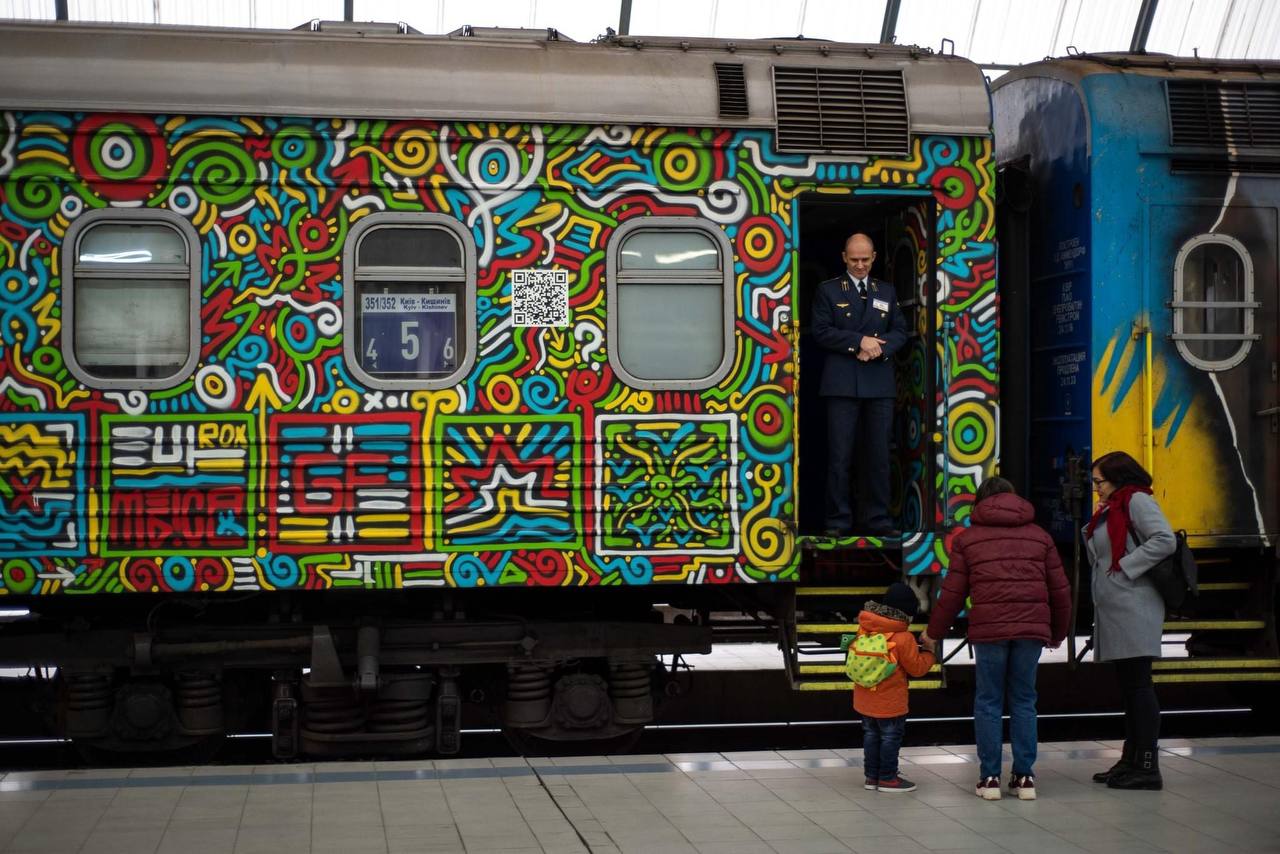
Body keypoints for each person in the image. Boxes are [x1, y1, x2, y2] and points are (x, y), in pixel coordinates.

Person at [921, 477, 1071, 801]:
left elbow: (952, 594)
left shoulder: (968, 539)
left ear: (980, 502)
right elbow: (1060, 591)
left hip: (990, 631)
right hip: (1031, 631)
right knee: (1024, 700)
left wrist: (933, 633)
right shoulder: (1040, 536)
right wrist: (1058, 632)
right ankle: (1025, 778)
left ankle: (989, 779)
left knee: (989, 701)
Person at [1083, 451, 1175, 791]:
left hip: (1136, 605)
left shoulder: (1137, 500)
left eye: (1099, 482)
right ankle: (1131, 759)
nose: (1096, 488)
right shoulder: (1115, 506)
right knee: (1129, 687)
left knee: (1138, 686)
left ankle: (1148, 766)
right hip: (1119, 606)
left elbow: (1164, 539)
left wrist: (1127, 566)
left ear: (1118, 479)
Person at [812, 232, 907, 537]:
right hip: (841, 384)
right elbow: (820, 331)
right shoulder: (828, 290)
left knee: (879, 456)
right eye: (854, 259)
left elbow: (901, 331)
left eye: (865, 259)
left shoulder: (886, 291)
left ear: (874, 257)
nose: (860, 265)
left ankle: (878, 519)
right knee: (840, 456)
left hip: (879, 383)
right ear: (844, 257)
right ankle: (838, 520)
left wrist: (878, 348)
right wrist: (858, 342)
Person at [854, 581, 936, 793]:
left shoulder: (864, 629)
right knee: (890, 738)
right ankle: (888, 778)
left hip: (865, 699)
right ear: (907, 613)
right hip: (890, 702)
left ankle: (872, 777)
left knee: (871, 736)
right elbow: (917, 669)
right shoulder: (903, 637)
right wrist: (929, 652)